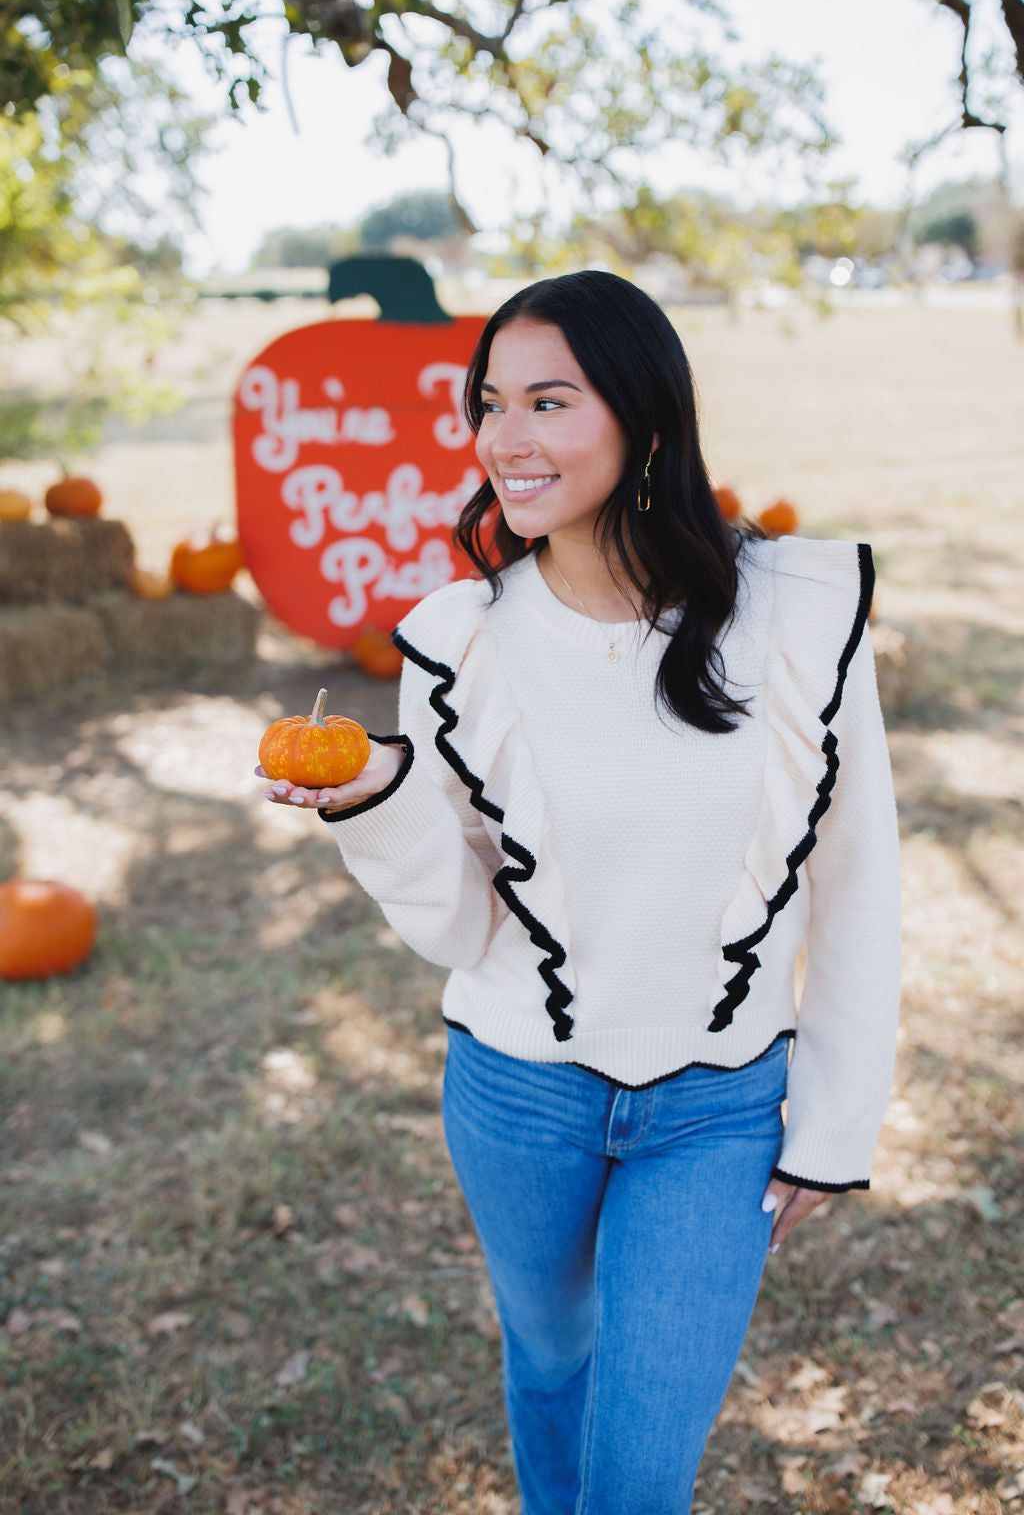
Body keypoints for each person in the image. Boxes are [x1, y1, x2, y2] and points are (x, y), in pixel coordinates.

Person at [256, 271, 901, 1515]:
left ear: (645, 419)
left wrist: (835, 1121)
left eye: (548, 400)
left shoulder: (800, 611)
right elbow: (456, 924)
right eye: (489, 403)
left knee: (639, 1475)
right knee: (549, 1362)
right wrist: (376, 801)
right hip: (515, 1095)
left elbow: (859, 877)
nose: (505, 437)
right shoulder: (457, 639)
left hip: (718, 1111)